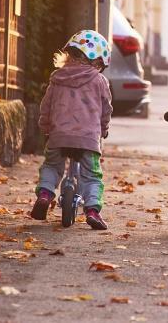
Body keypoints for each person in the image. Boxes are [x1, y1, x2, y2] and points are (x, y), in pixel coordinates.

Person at [30, 30, 113, 230]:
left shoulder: (57, 78)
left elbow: (46, 106)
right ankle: (93, 210)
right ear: (98, 62)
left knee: (51, 166)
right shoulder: (100, 81)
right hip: (88, 139)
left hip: (58, 136)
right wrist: (103, 129)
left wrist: (46, 127)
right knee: (92, 176)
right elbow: (106, 109)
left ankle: (45, 194)